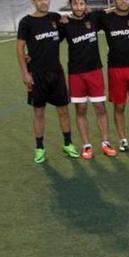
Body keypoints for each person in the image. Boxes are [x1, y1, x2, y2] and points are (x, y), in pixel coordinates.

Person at [17, 0, 80, 164]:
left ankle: (68, 144)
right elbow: (20, 48)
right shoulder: (26, 22)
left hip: (56, 73)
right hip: (37, 75)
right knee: (39, 113)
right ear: (33, 1)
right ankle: (39, 148)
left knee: (64, 111)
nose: (44, 2)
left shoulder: (55, 17)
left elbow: (76, 18)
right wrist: (25, 73)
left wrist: (65, 19)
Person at [60, 0, 117, 160]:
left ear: (85, 5)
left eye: (81, 3)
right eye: (76, 4)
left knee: (100, 107)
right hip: (76, 74)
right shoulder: (64, 23)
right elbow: (49, 40)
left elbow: (114, 9)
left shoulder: (94, 18)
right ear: (71, 5)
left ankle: (105, 143)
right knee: (81, 109)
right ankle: (87, 146)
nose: (79, 7)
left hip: (94, 72)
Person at [96, 0, 129, 152]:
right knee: (120, 106)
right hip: (116, 69)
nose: (123, 1)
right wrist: (114, 9)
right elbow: (91, 16)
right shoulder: (106, 18)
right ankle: (123, 140)